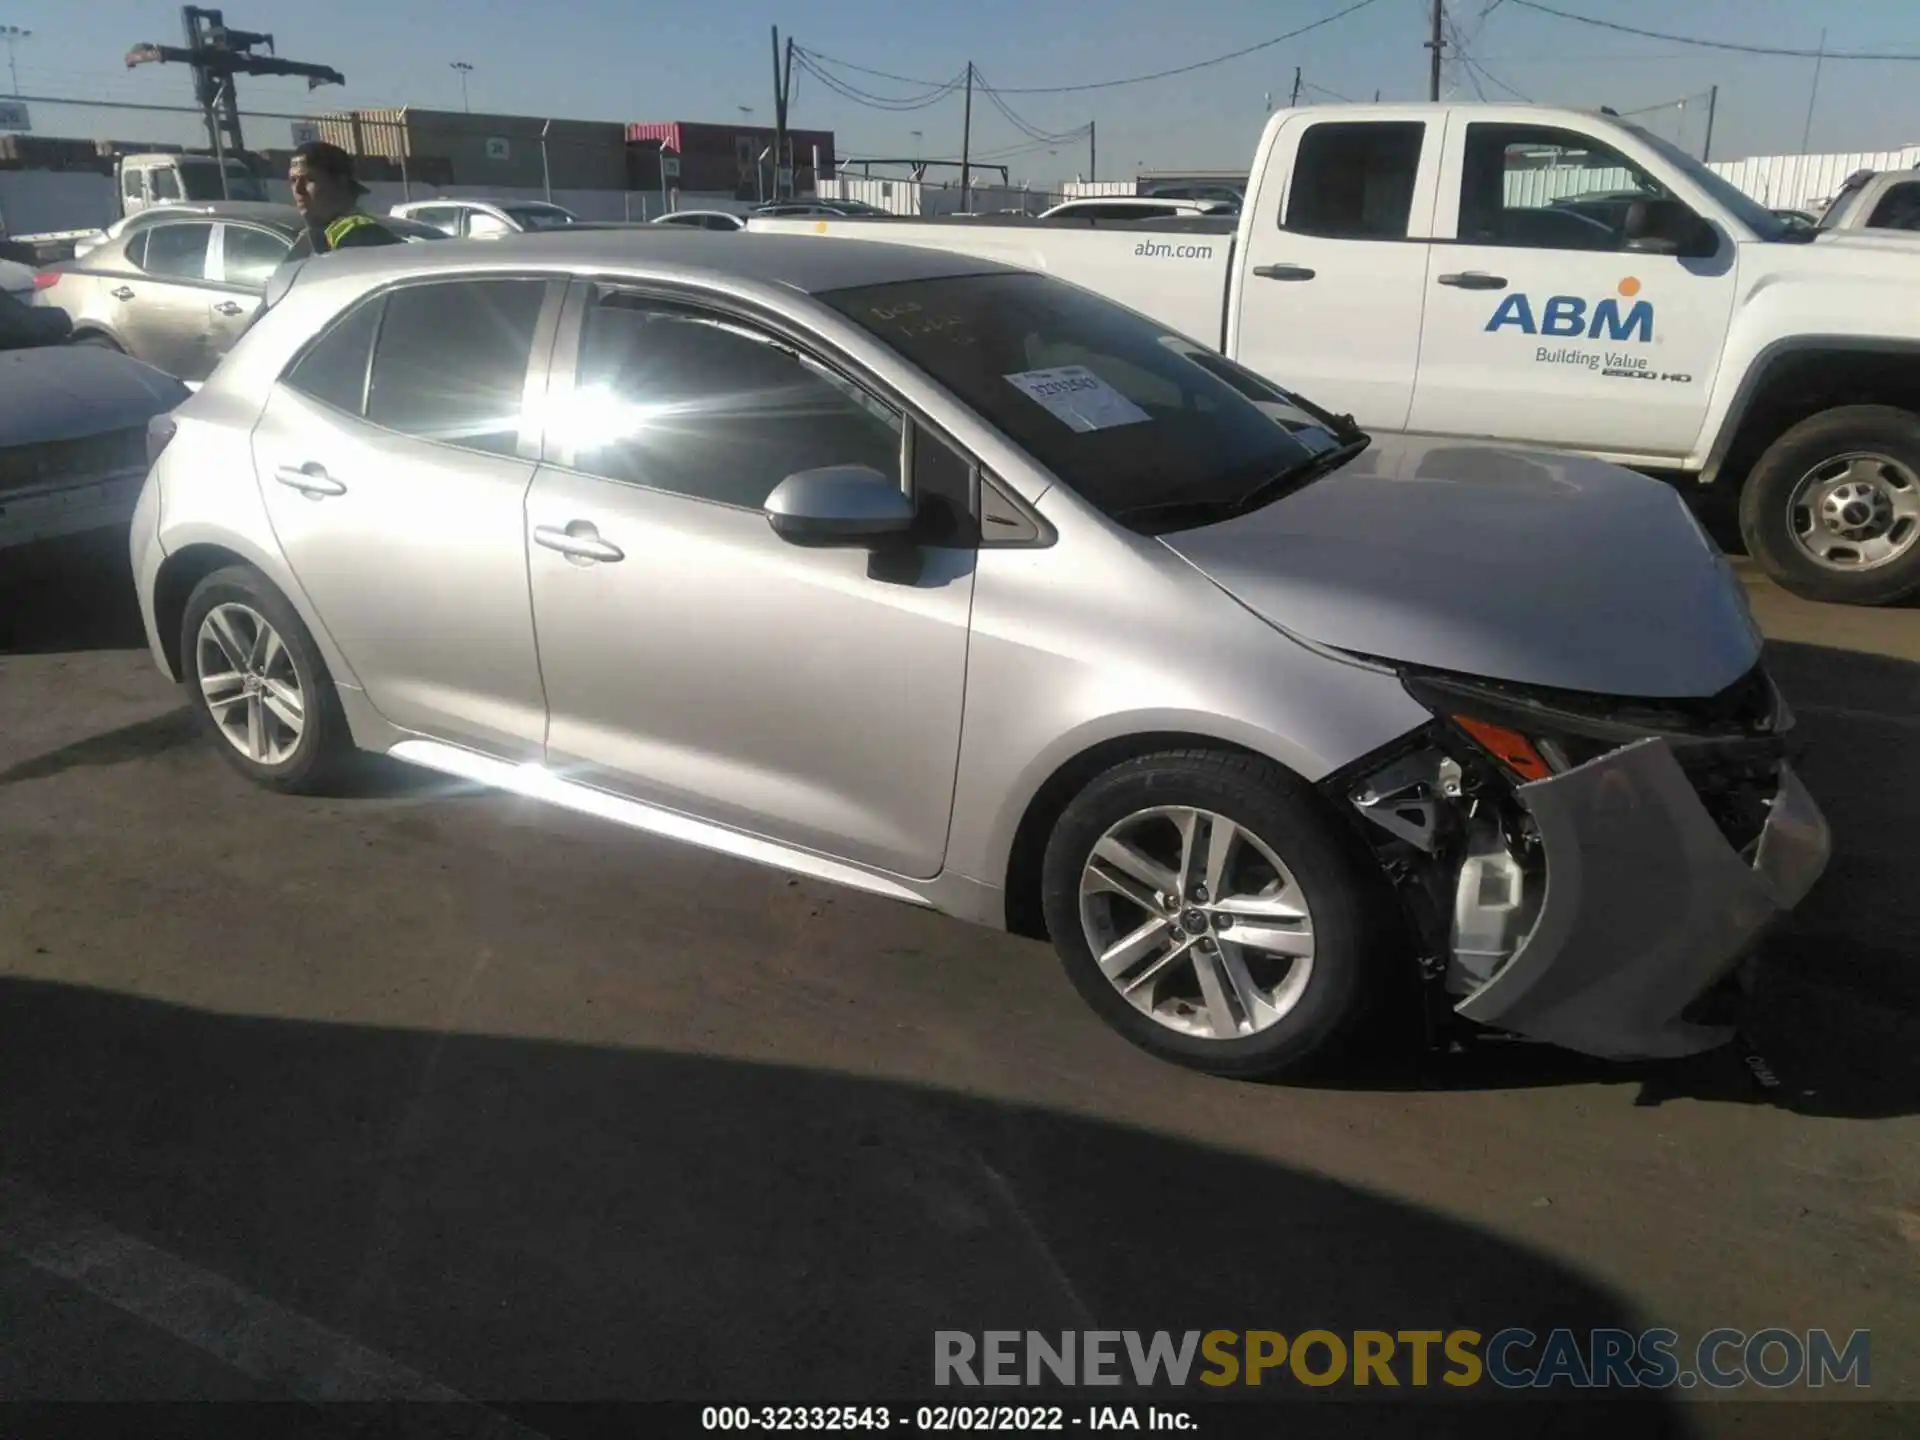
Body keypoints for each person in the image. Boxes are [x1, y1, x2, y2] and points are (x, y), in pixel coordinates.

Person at [283, 141, 405, 260]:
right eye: (293, 180)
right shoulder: (309, 237)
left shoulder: (359, 234)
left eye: (310, 179)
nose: (298, 190)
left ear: (340, 182)